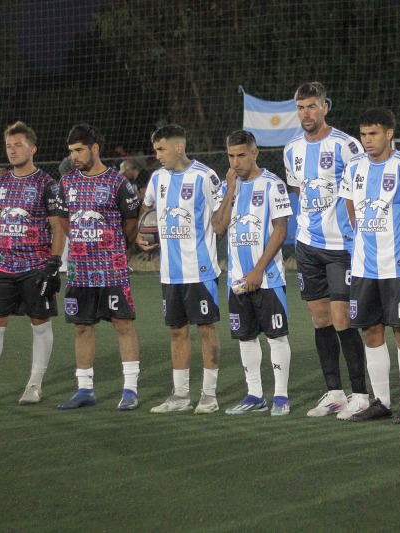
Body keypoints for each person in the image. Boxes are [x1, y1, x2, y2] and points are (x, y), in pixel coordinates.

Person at [0, 121, 67, 406]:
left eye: (18, 144)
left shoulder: (48, 185)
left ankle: (34, 385)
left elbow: (58, 228)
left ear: (32, 148)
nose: (12, 150)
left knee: (40, 324)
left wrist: (54, 263)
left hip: (36, 267)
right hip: (4, 268)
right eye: (9, 145)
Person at [283, 82, 369, 420]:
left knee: (342, 318)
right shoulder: (291, 149)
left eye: (311, 107)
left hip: (341, 247)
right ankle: (334, 392)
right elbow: (297, 190)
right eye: (301, 107)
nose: (306, 113)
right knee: (319, 318)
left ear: (325, 107)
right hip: (308, 246)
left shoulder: (346, 146)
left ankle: (360, 393)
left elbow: (361, 188)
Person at [337, 108, 400, 423]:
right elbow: (349, 203)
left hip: (396, 265)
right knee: (371, 331)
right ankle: (382, 401)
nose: (367, 140)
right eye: (363, 134)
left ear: (389, 133)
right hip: (362, 267)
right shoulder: (354, 167)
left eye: (373, 134)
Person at [137, 124, 224, 414]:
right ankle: (180, 396)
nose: (158, 155)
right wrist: (145, 234)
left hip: (199, 269)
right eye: (155, 150)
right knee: (176, 331)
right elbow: (147, 210)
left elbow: (222, 217)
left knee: (205, 329)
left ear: (179, 147)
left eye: (161, 149)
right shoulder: (157, 178)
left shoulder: (205, 176)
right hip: (169, 272)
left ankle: (209, 396)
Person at [56, 124, 143, 411]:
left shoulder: (119, 183)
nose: (74, 157)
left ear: (95, 148)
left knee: (123, 324)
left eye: (79, 150)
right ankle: (85, 390)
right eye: (71, 152)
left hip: (112, 269)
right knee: (82, 327)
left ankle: (130, 390)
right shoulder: (66, 183)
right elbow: (65, 221)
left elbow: (130, 224)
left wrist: (115, 247)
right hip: (80, 270)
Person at [213, 130, 293, 416]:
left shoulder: (273, 185)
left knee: (276, 336)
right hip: (236, 279)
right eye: (231, 156)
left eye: (241, 155)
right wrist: (231, 192)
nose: (236, 162)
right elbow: (218, 227)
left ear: (254, 153)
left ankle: (281, 396)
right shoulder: (227, 187)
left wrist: (259, 270)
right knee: (245, 337)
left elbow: (281, 230)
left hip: (268, 277)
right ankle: (255, 394)